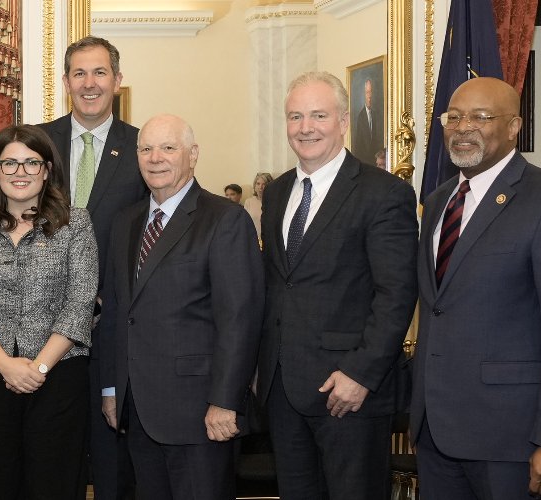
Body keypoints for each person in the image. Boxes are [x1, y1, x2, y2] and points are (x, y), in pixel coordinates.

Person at [412, 77, 541, 500]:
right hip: (436, 433)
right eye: (454, 117)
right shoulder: (439, 202)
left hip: (515, 440)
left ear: (514, 126)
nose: (463, 127)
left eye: (481, 116)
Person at [256, 71, 418, 500]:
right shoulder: (276, 193)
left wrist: (361, 373)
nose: (305, 127)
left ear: (344, 121)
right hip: (284, 390)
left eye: (318, 115)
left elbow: (397, 292)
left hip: (347, 392)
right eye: (295, 117)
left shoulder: (383, 193)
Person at [98, 114, 262, 499]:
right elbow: (118, 313)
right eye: (146, 148)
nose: (156, 158)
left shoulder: (224, 219)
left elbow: (240, 319)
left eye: (168, 148)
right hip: (137, 410)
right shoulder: (126, 221)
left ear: (193, 155)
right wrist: (111, 388)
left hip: (200, 413)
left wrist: (225, 401)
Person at [0, 124, 96, 498]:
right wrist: (5, 365)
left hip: (58, 377)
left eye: (31, 163)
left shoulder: (76, 224)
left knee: (55, 483)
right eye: (10, 163)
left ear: (47, 170)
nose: (20, 172)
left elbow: (79, 303)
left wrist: (38, 368)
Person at [36, 35, 148, 499]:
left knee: (111, 461)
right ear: (65, 82)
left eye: (100, 73)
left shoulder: (144, 148)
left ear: (117, 81)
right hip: (40, 329)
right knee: (48, 460)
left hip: (114, 328)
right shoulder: (33, 143)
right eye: (79, 73)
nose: (89, 83)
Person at [351, 79, 384, 167]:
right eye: (367, 92)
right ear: (364, 95)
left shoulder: (377, 114)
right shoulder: (360, 117)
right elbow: (357, 146)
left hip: (376, 164)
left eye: (371, 92)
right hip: (364, 164)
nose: (369, 96)